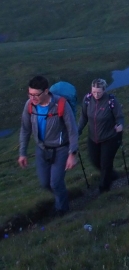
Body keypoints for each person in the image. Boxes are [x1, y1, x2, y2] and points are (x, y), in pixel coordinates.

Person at [18, 75, 79, 215]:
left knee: (55, 183)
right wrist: (22, 153)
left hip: (61, 149)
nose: (32, 98)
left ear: (46, 91)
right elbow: (25, 129)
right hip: (41, 149)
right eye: (30, 94)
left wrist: (72, 153)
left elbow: (73, 131)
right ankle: (62, 197)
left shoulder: (61, 104)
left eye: (36, 95)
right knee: (45, 183)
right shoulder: (29, 105)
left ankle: (62, 210)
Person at [78, 79, 124, 193]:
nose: (96, 94)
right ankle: (111, 174)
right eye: (94, 92)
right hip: (93, 138)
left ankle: (104, 189)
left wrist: (120, 125)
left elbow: (119, 117)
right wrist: (77, 130)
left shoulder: (111, 101)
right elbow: (84, 117)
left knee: (105, 163)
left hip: (110, 138)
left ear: (104, 90)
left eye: (98, 92)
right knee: (94, 161)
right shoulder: (87, 99)